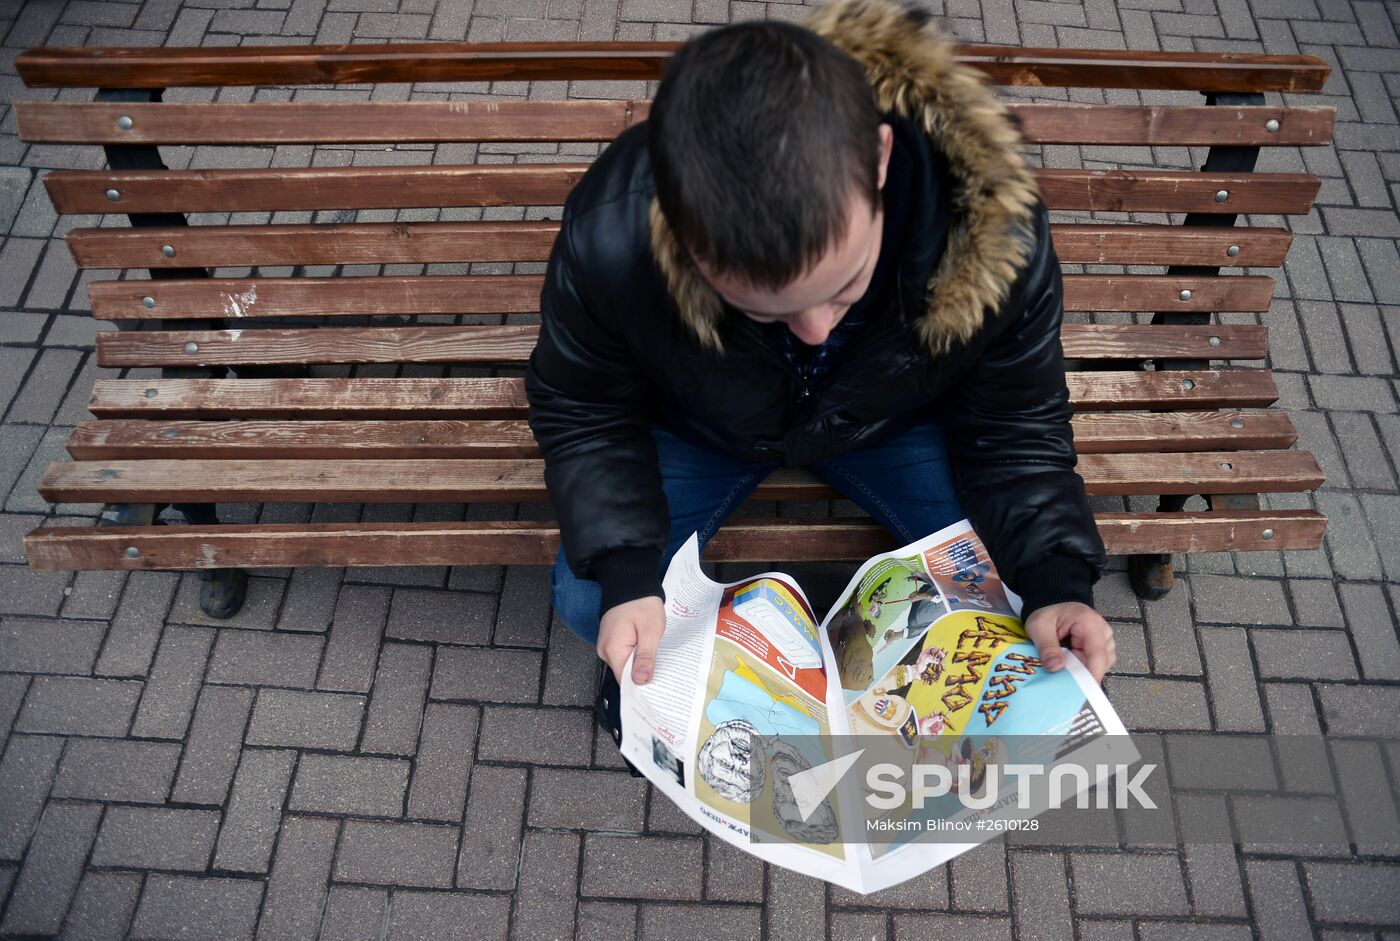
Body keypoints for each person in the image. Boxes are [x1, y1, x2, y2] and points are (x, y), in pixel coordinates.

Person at [525, 0, 1118, 704]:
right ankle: (671, 697)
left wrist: (1056, 581)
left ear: (879, 158)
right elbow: (586, 405)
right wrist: (628, 573)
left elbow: (1017, 425)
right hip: (704, 425)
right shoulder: (613, 232)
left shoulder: (992, 237)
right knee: (595, 600)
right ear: (682, 235)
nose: (814, 331)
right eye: (760, 310)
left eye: (843, 291)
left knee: (1021, 600)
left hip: (891, 420)